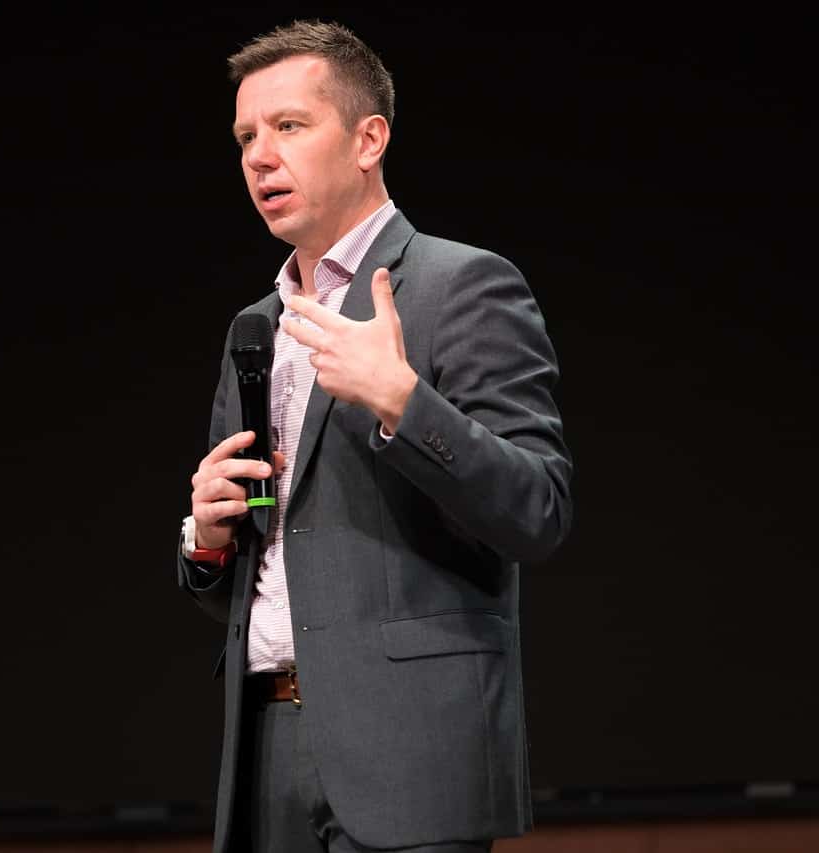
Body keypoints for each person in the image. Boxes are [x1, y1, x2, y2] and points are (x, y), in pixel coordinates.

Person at [175, 20, 573, 853]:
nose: (260, 156)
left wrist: (403, 401)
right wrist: (208, 541)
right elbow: (277, 570)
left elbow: (538, 510)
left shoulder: (462, 285)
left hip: (414, 748)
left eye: (289, 125)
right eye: (245, 136)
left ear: (369, 139)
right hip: (266, 745)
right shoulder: (256, 328)